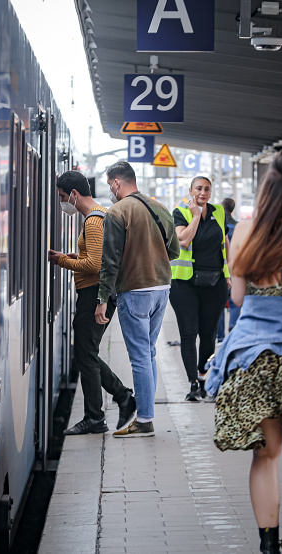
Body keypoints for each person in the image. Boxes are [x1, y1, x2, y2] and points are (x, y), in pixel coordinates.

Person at [206, 148, 282, 554]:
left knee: (266, 456)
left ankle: (268, 547)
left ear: (267, 187)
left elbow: (236, 298)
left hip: (255, 359)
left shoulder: (245, 233)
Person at [95, 161, 179, 438]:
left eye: (110, 185)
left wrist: (102, 298)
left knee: (140, 355)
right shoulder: (160, 208)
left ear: (117, 183)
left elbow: (110, 262)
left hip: (135, 290)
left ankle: (144, 419)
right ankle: (147, 410)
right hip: (161, 288)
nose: (110, 191)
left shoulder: (117, 212)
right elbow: (175, 251)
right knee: (149, 351)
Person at [48, 170, 136, 435]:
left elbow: (96, 265)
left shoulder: (94, 221)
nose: (63, 202)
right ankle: (108, 407)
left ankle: (107, 407)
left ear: (74, 194)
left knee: (85, 354)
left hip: (95, 293)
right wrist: (76, 255)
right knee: (86, 353)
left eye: (63, 197)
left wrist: (62, 260)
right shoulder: (98, 216)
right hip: (96, 292)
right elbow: (95, 256)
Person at [169, 176, 230, 402]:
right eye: (198, 189)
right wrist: (195, 215)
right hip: (185, 283)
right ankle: (193, 384)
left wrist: (228, 273)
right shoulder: (180, 212)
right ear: (190, 191)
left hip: (215, 282)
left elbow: (224, 243)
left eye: (207, 189)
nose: (203, 192)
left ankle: (203, 378)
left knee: (209, 334)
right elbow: (183, 240)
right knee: (188, 333)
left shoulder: (219, 212)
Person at [217, 197, 241, 342]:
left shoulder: (217, 224)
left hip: (220, 269)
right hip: (236, 270)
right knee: (235, 302)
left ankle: (220, 336)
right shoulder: (239, 227)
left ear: (222, 207)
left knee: (219, 302)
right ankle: (233, 333)